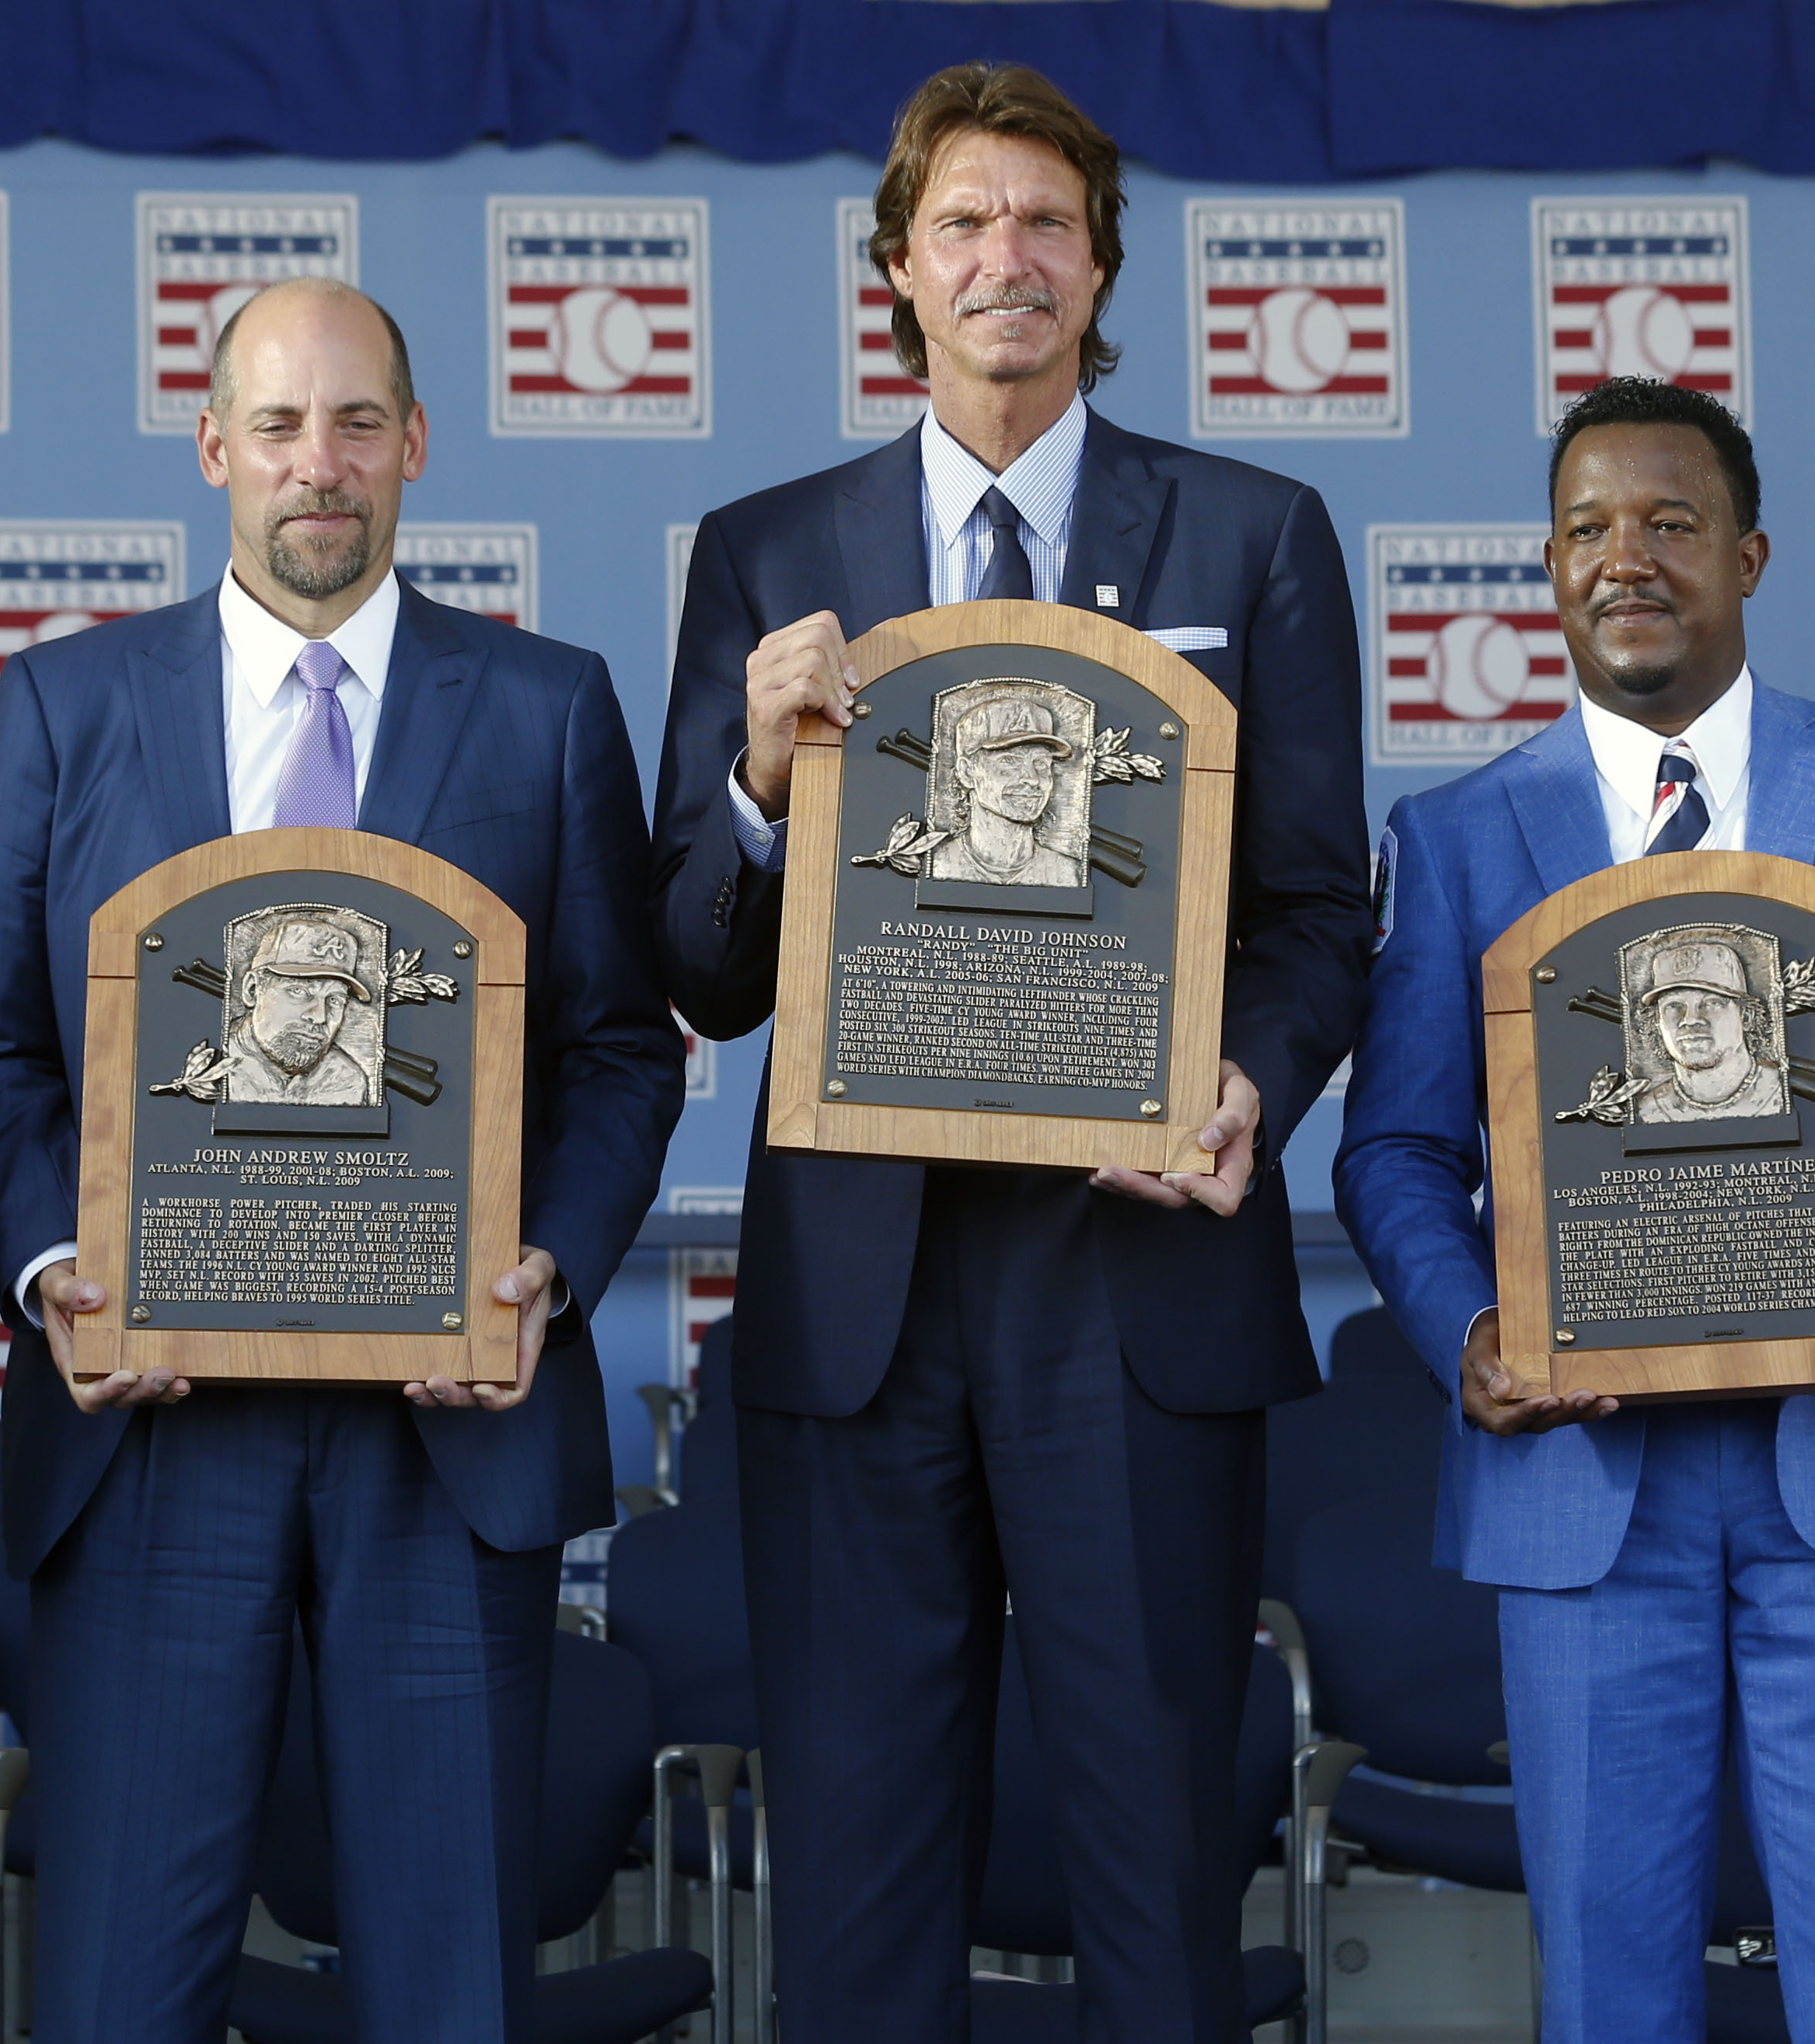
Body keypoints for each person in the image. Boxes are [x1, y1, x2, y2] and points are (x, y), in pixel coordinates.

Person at [648, 61, 1369, 2042]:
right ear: (896, 267)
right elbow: (697, 971)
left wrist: (1248, 1082)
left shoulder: (1252, 535)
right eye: (962, 223)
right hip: (862, 1294)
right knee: (861, 1879)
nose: (1005, 259)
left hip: (1138, 1276)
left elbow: (1317, 913)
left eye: (1046, 223)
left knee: (1155, 1869)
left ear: (1101, 264)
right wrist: (754, 784)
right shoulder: (765, 550)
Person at [0, 275, 681, 2040]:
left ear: (416, 444)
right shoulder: (60, 705)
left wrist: (547, 1268)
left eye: (358, 422)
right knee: (122, 1978)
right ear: (215, 449)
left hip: (445, 1433)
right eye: (278, 424)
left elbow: (616, 1052)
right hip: (153, 1431)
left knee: (449, 1978)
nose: (319, 464)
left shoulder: (547, 705)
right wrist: (59, 1271)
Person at [1335, 376, 1815, 2042]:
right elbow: (1388, 1153)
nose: (1627, 557)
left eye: (1669, 523)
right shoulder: (1451, 837)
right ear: (1545, 568)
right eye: (1589, 527)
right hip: (1584, 1476)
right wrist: (1465, 1327)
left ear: (1745, 553)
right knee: (1606, 1991)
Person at [926, 693, 1083, 886]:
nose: (1032, 779)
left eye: (1041, 763)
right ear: (967, 772)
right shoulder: (938, 866)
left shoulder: (1068, 874)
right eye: (1009, 761)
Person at [1632, 936, 1789, 1123]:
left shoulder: (1780, 1092)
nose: (1689, 1020)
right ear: (1657, 1023)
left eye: (1712, 1003)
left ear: (1746, 1017)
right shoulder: (1647, 1110)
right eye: (1673, 1006)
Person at [224, 915, 375, 1104]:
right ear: (252, 989)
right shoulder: (210, 1069)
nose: (320, 1017)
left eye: (335, 1000)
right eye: (299, 991)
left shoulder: (346, 1080)